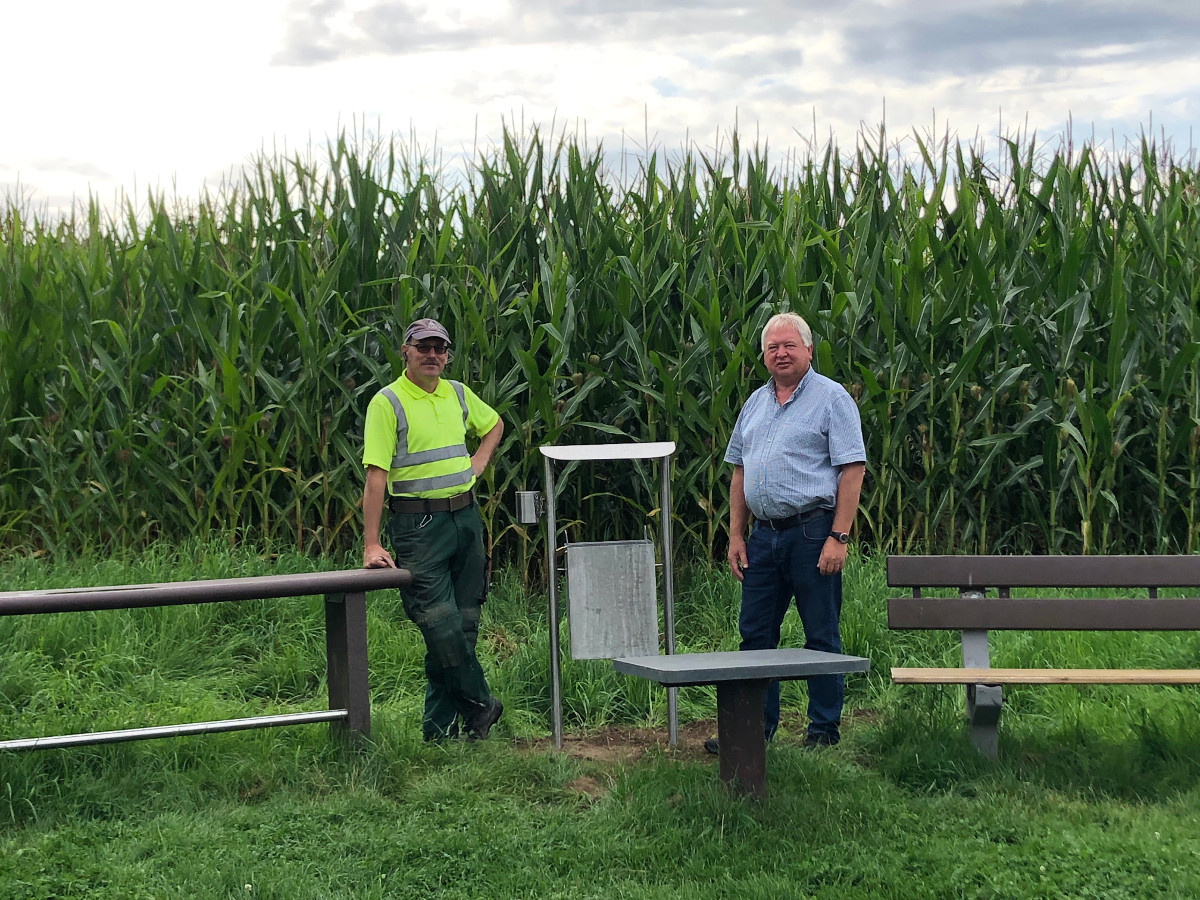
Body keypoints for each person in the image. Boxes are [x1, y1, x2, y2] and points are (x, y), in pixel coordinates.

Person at [707, 312, 866, 753]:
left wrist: (840, 536)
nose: (781, 353)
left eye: (789, 345)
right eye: (772, 347)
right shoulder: (754, 403)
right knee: (755, 634)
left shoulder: (832, 399)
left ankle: (822, 731)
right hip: (763, 536)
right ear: (763, 356)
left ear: (808, 350)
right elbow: (739, 470)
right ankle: (753, 730)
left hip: (813, 531)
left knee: (821, 633)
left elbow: (852, 469)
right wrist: (736, 535)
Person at [361, 317, 505, 742]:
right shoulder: (387, 403)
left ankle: (439, 733)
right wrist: (371, 543)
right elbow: (375, 476)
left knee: (464, 627)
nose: (432, 355)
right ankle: (482, 705)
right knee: (439, 625)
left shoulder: (458, 393)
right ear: (405, 350)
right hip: (418, 524)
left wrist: (476, 464)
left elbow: (494, 425)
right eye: (423, 346)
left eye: (440, 348)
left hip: (465, 518)